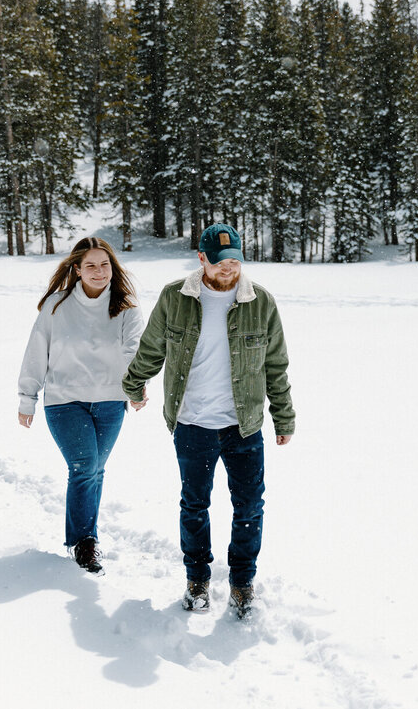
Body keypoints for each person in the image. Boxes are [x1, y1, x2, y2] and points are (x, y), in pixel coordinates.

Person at [123, 223, 295, 617]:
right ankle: (197, 579)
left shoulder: (261, 302)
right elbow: (151, 348)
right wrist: (134, 385)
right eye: (220, 263)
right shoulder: (175, 297)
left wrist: (283, 416)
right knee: (195, 505)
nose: (228, 269)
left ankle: (241, 583)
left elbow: (276, 366)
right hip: (193, 424)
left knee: (250, 507)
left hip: (244, 426)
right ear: (201, 259)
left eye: (234, 261)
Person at [17, 237, 146, 574]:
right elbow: (36, 350)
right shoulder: (56, 306)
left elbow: (135, 351)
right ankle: (83, 542)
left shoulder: (126, 308)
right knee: (85, 467)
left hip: (110, 403)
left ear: (112, 268)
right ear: (76, 269)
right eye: (90, 265)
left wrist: (136, 387)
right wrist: (27, 397)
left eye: (104, 264)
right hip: (64, 401)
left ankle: (84, 538)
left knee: (94, 470)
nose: (98, 271)